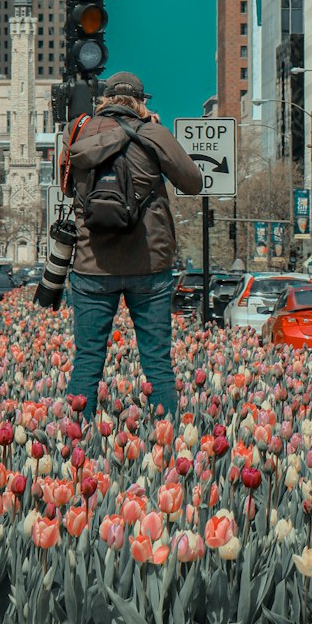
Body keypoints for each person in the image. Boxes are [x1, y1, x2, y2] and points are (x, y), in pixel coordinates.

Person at [60, 71, 203, 421]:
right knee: (157, 362)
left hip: (93, 265)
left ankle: (77, 446)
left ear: (104, 101)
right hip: (149, 266)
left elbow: (66, 188)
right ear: (141, 102)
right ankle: (166, 447)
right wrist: (153, 133)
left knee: (88, 360)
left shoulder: (76, 132)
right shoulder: (154, 133)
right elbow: (193, 182)